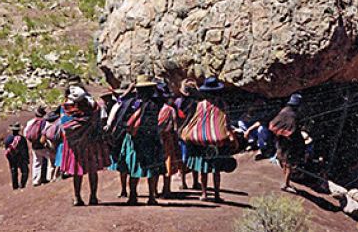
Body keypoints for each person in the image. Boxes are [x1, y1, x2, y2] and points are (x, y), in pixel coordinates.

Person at [119, 75, 173, 205]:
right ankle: (151, 197)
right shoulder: (155, 104)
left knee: (134, 169)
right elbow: (163, 97)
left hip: (134, 140)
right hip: (151, 140)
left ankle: (133, 196)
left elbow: (120, 103)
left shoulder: (132, 103)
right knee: (152, 170)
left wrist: (129, 90)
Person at [182, 77, 236, 202]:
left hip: (202, 142)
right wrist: (231, 137)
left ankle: (204, 194)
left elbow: (195, 121)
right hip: (217, 141)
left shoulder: (201, 105)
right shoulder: (222, 104)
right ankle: (216, 195)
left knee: (204, 169)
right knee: (216, 170)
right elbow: (226, 122)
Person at [58, 87, 111, 206]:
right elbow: (100, 122)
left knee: (77, 171)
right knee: (93, 170)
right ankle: (93, 197)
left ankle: (77, 197)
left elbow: (63, 125)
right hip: (91, 142)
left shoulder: (67, 109)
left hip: (75, 145)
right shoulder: (94, 108)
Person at [270, 94, 304, 192]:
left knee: (285, 162)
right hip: (289, 143)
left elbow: (273, 125)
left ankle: (286, 182)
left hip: (281, 141)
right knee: (289, 164)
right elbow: (292, 131)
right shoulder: (293, 115)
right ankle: (286, 184)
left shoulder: (284, 111)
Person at [24, 106, 51, 186]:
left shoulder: (30, 122)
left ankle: (36, 180)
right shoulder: (46, 123)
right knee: (50, 160)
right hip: (43, 145)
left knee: (37, 162)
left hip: (34, 145)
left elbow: (25, 133)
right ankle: (49, 177)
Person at [4, 122, 30, 190]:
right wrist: (27, 158)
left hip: (11, 157)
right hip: (21, 157)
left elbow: (6, 149)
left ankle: (15, 186)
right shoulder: (22, 138)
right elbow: (25, 149)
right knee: (25, 171)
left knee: (14, 171)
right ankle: (22, 184)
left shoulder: (7, 139)